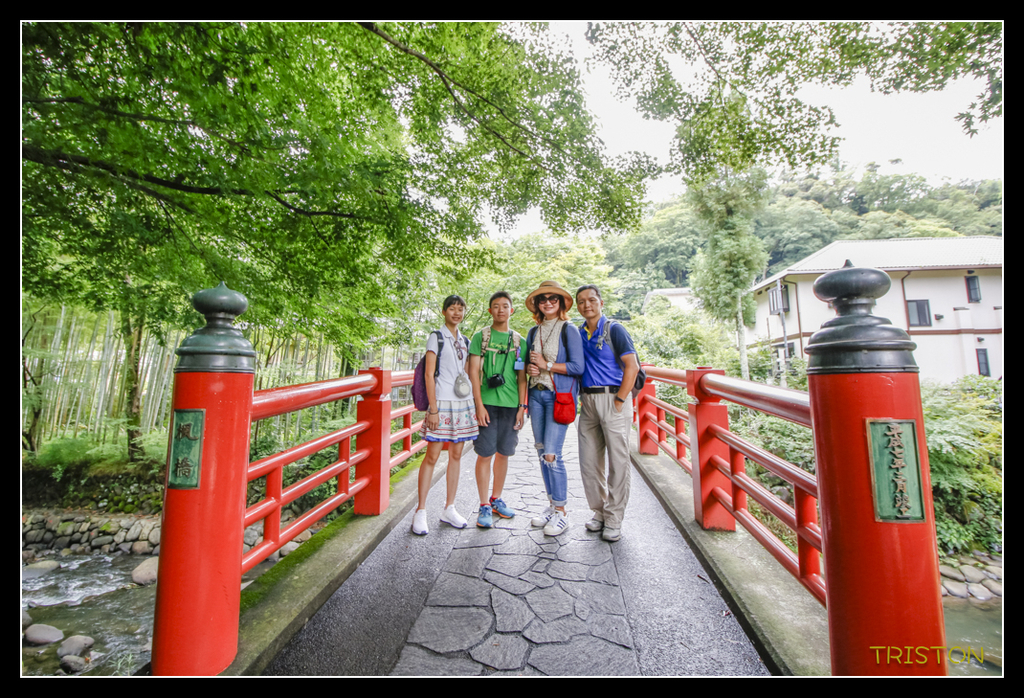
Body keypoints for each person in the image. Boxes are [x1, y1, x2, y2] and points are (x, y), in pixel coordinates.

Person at [575, 284, 640, 542]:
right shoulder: (579, 333)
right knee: (589, 462)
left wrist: (621, 400)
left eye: (591, 300)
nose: (586, 305)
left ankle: (614, 518)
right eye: (581, 301)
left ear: (600, 302)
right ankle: (600, 512)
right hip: (588, 401)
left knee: (618, 462)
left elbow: (632, 366)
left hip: (614, 398)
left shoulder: (615, 329)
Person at [412, 295, 477, 535]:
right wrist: (433, 409)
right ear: (444, 312)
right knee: (432, 455)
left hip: (462, 403)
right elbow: (429, 375)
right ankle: (421, 511)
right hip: (441, 403)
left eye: (461, 309)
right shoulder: (436, 337)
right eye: (453, 308)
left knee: (457, 454)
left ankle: (449, 507)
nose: (457, 312)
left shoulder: (466, 340)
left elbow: (470, 373)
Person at [523, 281, 584, 537]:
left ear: (560, 303)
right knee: (541, 453)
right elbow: (528, 364)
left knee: (552, 454)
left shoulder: (568, 329)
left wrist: (547, 365)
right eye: (543, 299)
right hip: (536, 396)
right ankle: (551, 505)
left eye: (553, 298)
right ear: (537, 305)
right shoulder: (532, 332)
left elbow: (577, 367)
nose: (547, 302)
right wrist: (531, 368)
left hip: (557, 398)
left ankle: (561, 512)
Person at [467, 291, 528, 528]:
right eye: (496, 306)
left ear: (511, 310)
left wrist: (522, 406)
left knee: (504, 453)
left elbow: (522, 377)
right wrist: (478, 405)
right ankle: (483, 505)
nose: (501, 310)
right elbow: (473, 372)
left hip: (512, 405)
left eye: (505, 306)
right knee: (485, 454)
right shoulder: (480, 338)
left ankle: (496, 499)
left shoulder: (519, 342)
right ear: (490, 310)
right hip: (487, 405)